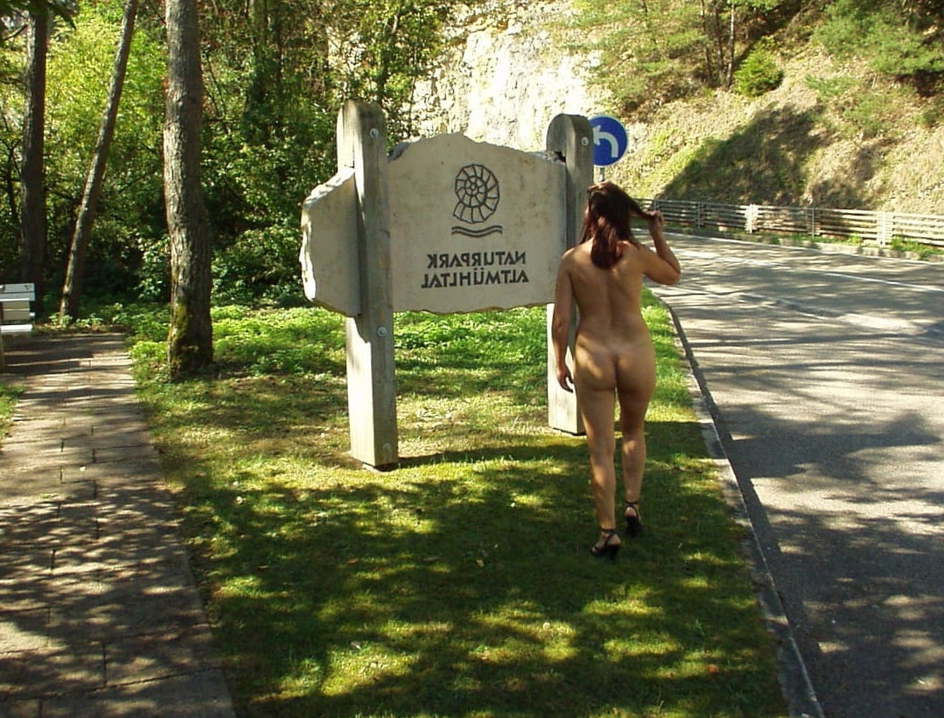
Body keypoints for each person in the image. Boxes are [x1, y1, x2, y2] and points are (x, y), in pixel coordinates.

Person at [551, 182, 681, 560]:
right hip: (635, 353)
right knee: (634, 431)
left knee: (600, 449)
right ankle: (633, 505)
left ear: (590, 214)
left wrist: (559, 360)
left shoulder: (572, 260)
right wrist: (657, 234)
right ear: (625, 214)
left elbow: (561, 321)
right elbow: (673, 274)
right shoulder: (636, 254)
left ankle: (607, 532)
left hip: (593, 356)